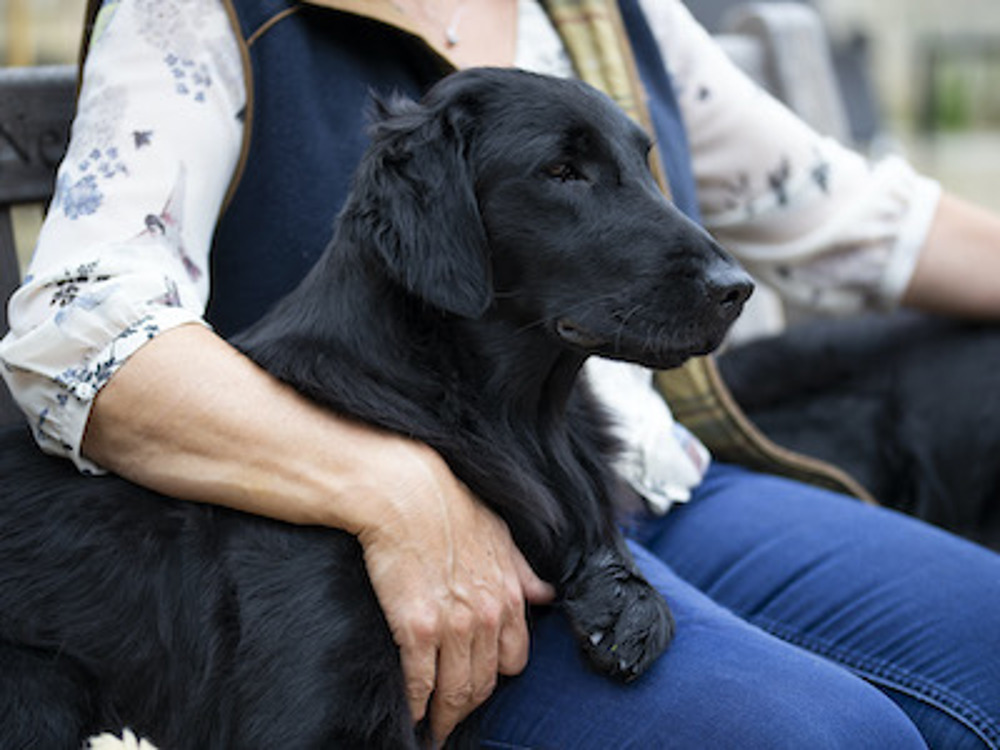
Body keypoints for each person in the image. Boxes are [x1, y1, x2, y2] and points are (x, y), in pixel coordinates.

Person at [2, 0, 999, 746]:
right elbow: (76, 330)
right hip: (375, 546)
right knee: (813, 736)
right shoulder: (208, 12)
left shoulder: (592, 10)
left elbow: (855, 218)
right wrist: (395, 495)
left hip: (641, 485)